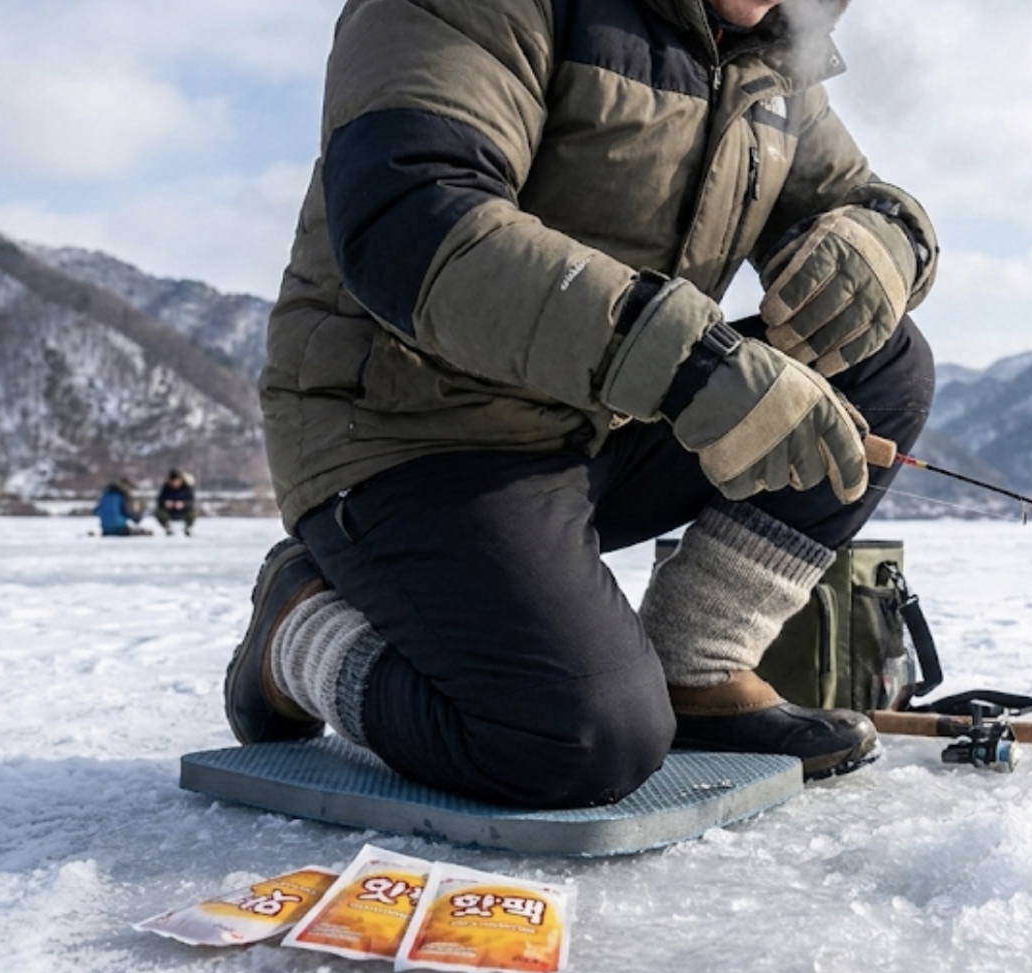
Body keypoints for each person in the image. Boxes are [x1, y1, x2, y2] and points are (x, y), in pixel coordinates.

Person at [224, 0, 940, 810]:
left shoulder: (765, 54)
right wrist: (685, 365)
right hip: (408, 432)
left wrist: (886, 243)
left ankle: (693, 668)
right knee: (577, 739)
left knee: (877, 361)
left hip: (604, 420)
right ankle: (295, 632)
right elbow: (411, 219)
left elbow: (862, 200)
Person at [155, 469, 197, 536]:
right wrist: (165, 503)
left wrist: (183, 504)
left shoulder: (187, 488)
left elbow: (191, 501)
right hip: (169, 511)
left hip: (183, 510)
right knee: (159, 512)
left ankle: (188, 528)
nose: (175, 483)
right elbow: (159, 500)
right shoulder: (166, 488)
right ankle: (167, 528)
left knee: (193, 511)